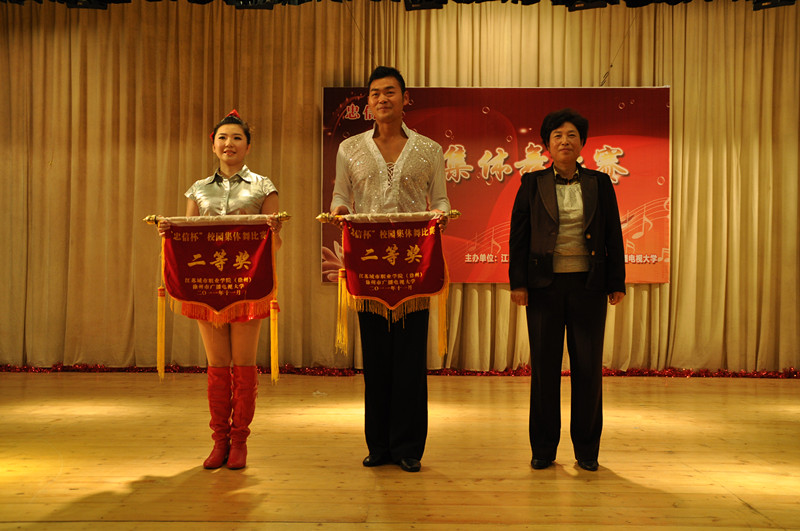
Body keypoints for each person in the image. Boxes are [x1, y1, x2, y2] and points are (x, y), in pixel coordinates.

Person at [330, 66, 450, 473]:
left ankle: (408, 446)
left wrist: (441, 215)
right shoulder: (349, 149)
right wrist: (339, 211)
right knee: (376, 357)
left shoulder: (430, 150)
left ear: (405, 98)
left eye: (390, 92)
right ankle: (378, 445)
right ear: (368, 103)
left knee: (411, 359)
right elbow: (340, 196)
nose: (382, 99)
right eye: (375, 93)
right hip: (369, 268)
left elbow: (441, 200)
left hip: (414, 269)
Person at [158, 110, 282, 470]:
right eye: (223, 138)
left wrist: (273, 231)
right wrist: (169, 233)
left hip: (247, 287)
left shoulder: (264, 187)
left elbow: (275, 245)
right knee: (217, 365)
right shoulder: (198, 189)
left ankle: (240, 440)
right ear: (213, 145)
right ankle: (219, 440)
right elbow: (189, 238)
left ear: (248, 146)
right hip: (208, 288)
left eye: (237, 138)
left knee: (243, 364)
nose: (229, 144)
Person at [508, 108, 625, 472]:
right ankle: (543, 449)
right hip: (544, 287)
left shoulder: (599, 183)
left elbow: (613, 234)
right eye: (557, 135)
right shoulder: (532, 183)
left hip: (589, 286)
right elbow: (519, 237)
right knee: (544, 370)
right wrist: (518, 283)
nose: (564, 141)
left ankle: (587, 450)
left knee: (588, 368)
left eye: (572, 135)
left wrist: (616, 282)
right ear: (547, 144)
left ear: (582, 143)